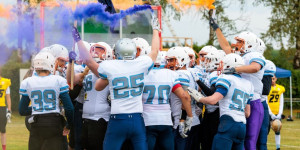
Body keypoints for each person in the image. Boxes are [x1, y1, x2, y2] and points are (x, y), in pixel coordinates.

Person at [72, 14, 159, 150]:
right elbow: (155, 50)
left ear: (116, 52)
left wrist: (77, 39)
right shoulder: (141, 64)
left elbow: (89, 61)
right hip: (137, 119)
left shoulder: (110, 66)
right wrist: (156, 29)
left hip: (117, 119)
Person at [211, 18, 266, 150]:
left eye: (240, 42)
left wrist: (235, 69)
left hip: (253, 101)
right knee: (237, 141)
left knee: (250, 141)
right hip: (240, 103)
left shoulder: (255, 55)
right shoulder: (239, 56)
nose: (237, 44)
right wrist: (216, 28)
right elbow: (226, 47)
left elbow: (255, 68)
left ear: (250, 44)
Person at [188, 53, 253, 150]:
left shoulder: (226, 78)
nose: (220, 67)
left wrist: (199, 98)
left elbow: (213, 100)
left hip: (228, 123)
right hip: (242, 126)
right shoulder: (249, 84)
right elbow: (247, 113)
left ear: (228, 66)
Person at [18, 52, 74, 150]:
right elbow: (69, 108)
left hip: (36, 124)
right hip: (54, 122)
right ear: (50, 64)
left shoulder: (28, 82)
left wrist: (38, 108)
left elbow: (22, 110)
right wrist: (68, 125)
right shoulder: (58, 80)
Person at [142, 51, 193, 150]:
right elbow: (184, 96)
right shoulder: (170, 74)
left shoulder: (141, 74)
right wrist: (190, 116)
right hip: (165, 121)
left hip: (147, 120)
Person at [267, 76, 285, 150]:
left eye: (273, 79)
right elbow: (266, 101)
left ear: (276, 79)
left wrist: (279, 113)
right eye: (271, 79)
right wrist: (271, 114)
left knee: (277, 130)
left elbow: (281, 102)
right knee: (265, 132)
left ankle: (278, 147)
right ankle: (264, 146)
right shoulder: (267, 88)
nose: (272, 80)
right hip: (268, 113)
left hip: (277, 113)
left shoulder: (280, 88)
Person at [0, 67, 11, 150]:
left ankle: (4, 148)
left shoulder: (6, 82)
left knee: (3, 130)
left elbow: (8, 97)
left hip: (2, 108)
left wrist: (9, 110)